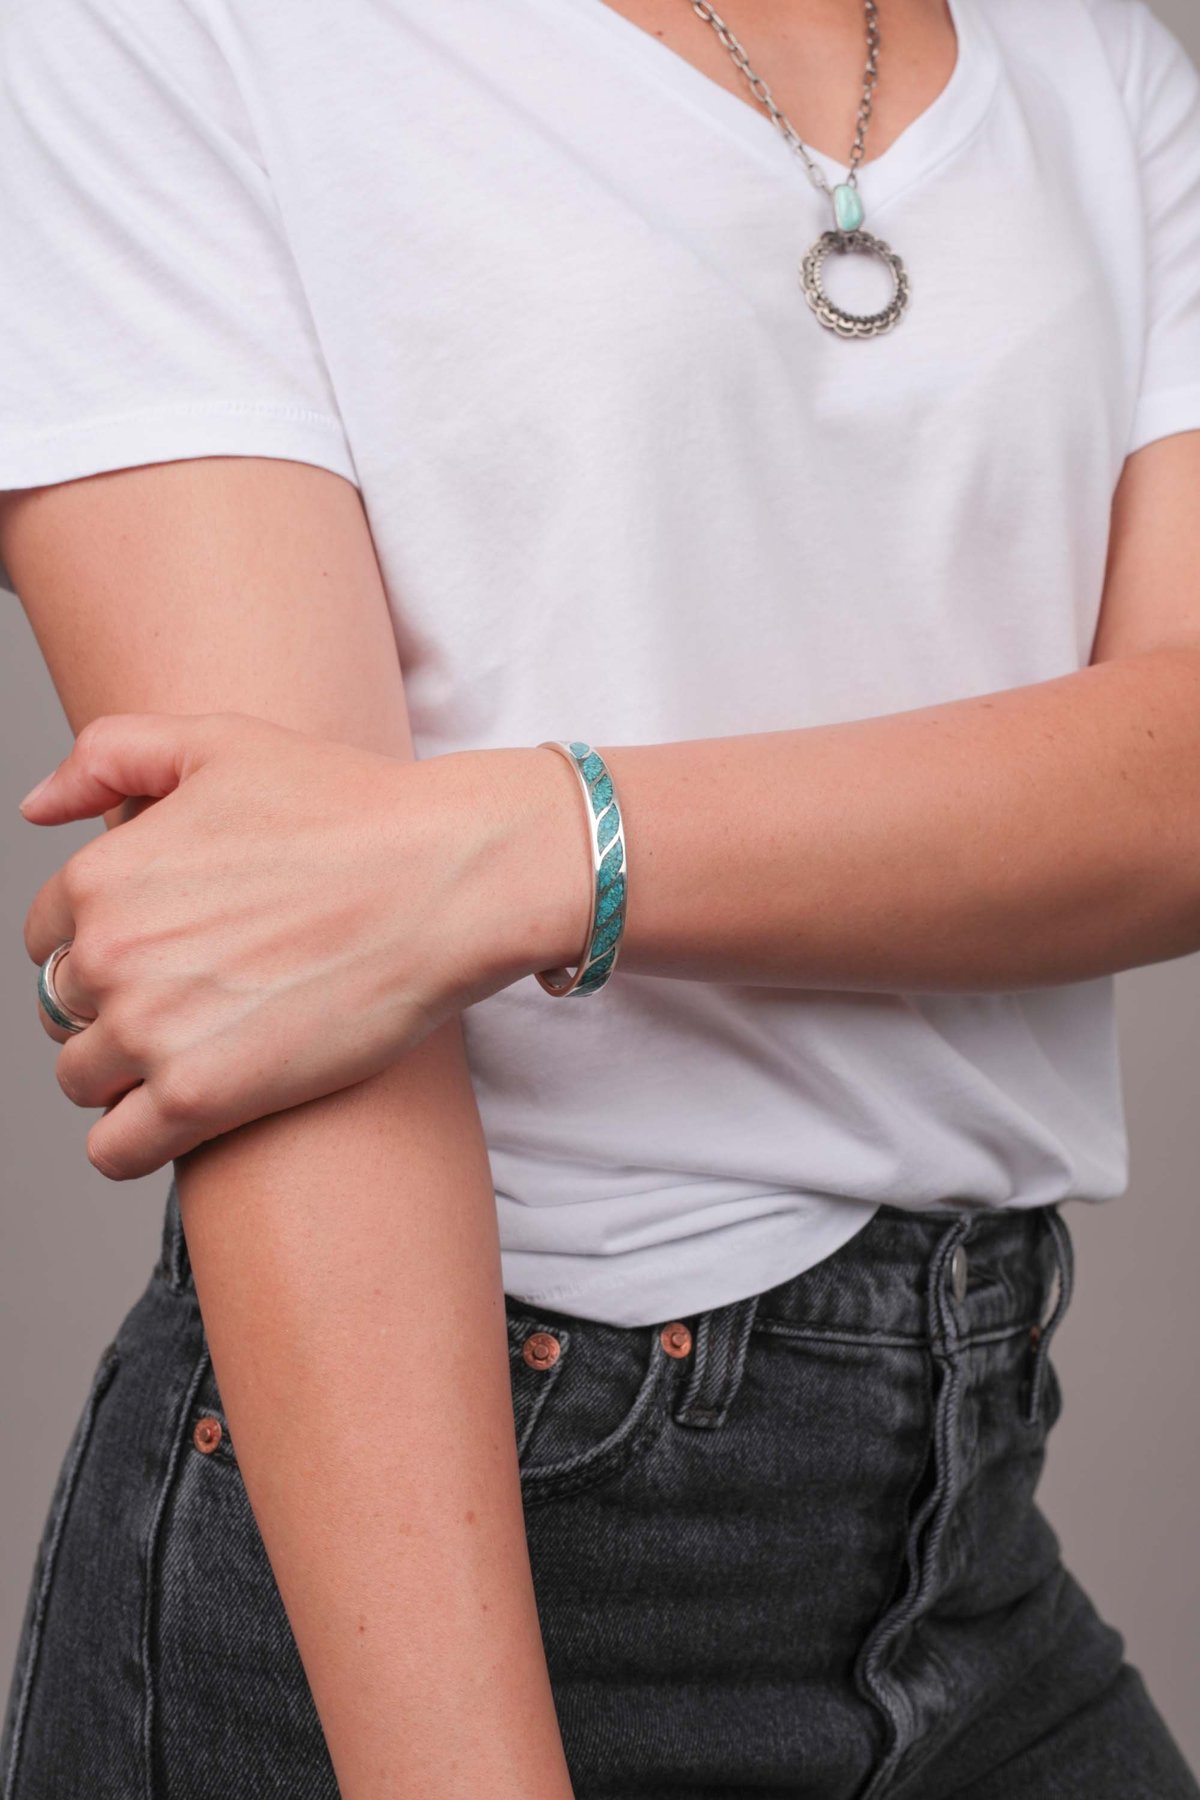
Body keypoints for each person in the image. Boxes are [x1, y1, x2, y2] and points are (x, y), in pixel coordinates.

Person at [1, 0, 1198, 1793]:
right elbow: (280, 983)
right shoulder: (162, 31)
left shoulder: (1103, 72)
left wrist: (530, 850)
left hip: (959, 1482)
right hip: (461, 1489)